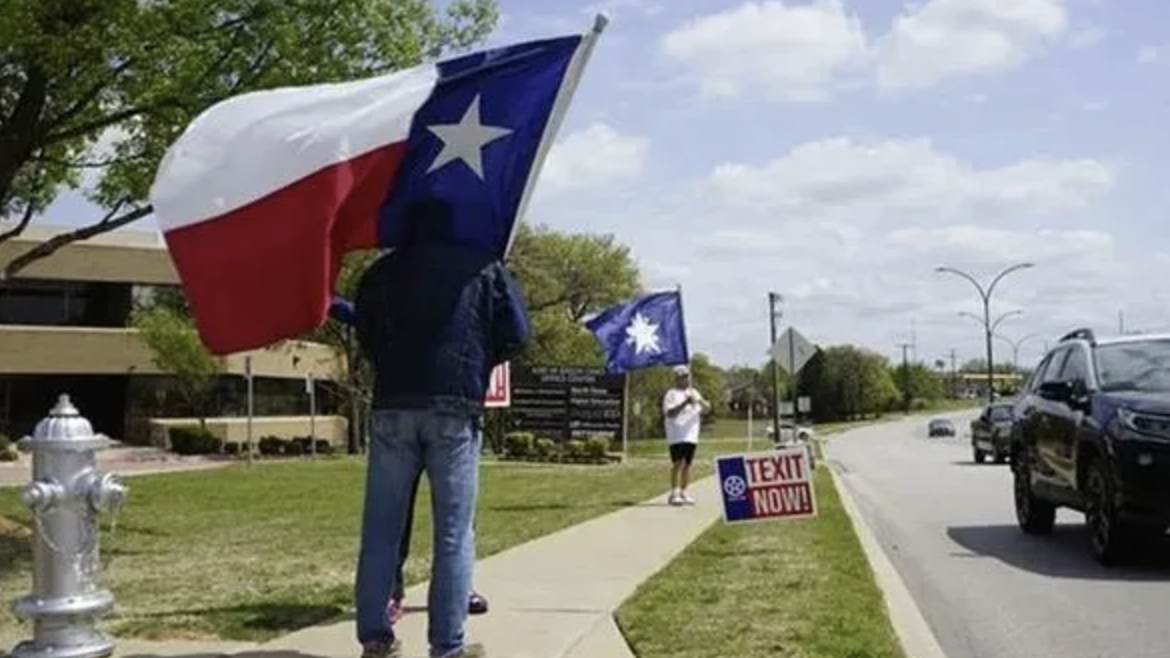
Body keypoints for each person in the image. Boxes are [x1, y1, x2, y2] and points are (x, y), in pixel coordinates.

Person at [349, 196, 533, 658]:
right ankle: (447, 646)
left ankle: (375, 637)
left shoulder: (380, 272)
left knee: (381, 529)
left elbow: (365, 333)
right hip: (455, 406)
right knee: (454, 531)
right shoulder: (484, 268)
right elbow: (518, 335)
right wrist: (478, 364)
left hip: (392, 405)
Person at [328, 297, 491, 623]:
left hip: (443, 404)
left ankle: (456, 590)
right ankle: (393, 591)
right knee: (398, 516)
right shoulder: (398, 282)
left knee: (456, 517)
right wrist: (325, 300)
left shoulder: (465, 291)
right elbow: (365, 316)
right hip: (408, 405)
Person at [661, 364, 710, 506]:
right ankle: (674, 493)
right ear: (676, 379)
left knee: (687, 464)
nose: (685, 379)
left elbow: (706, 409)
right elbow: (669, 413)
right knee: (678, 463)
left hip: (691, 434)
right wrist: (685, 402)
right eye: (682, 377)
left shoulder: (694, 392)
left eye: (687, 377)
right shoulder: (670, 394)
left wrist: (700, 401)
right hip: (676, 434)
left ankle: (684, 491)